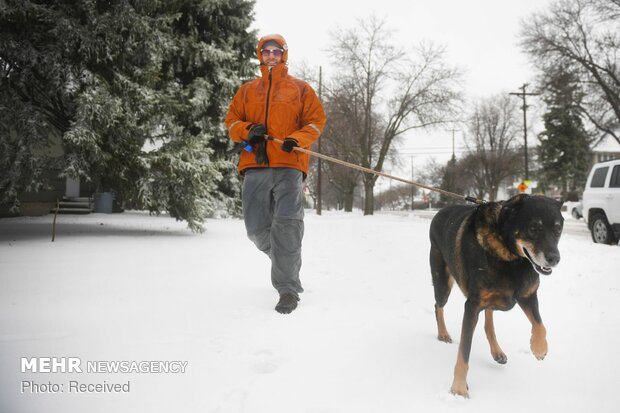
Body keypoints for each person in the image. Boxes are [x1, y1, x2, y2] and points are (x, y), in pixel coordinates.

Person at [224, 34, 326, 314]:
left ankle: (287, 289)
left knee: (287, 225)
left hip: (289, 164)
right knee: (255, 228)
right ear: (260, 55)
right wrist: (248, 131)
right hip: (254, 164)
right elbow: (231, 121)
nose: (271, 55)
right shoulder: (247, 91)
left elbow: (316, 121)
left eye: (276, 51)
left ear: (284, 54)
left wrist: (298, 139)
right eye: (266, 51)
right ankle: (284, 259)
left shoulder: (301, 89)